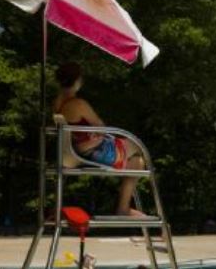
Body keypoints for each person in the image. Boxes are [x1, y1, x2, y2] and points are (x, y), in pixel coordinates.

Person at [53, 62, 146, 217]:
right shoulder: (78, 104)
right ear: (78, 81)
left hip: (76, 151)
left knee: (136, 162)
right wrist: (97, 137)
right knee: (138, 147)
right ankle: (123, 208)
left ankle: (124, 208)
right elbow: (100, 125)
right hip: (91, 151)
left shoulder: (57, 104)